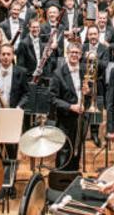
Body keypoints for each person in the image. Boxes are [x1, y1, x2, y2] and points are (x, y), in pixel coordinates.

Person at [50, 41, 90, 169]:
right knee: (64, 150)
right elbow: (52, 98)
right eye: (72, 52)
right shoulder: (58, 73)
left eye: (77, 53)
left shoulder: (85, 70)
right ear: (67, 53)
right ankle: (61, 178)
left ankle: (73, 178)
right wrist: (70, 107)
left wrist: (88, 92)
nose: (74, 55)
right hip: (65, 118)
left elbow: (93, 92)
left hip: (81, 118)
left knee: (77, 149)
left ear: (81, 55)